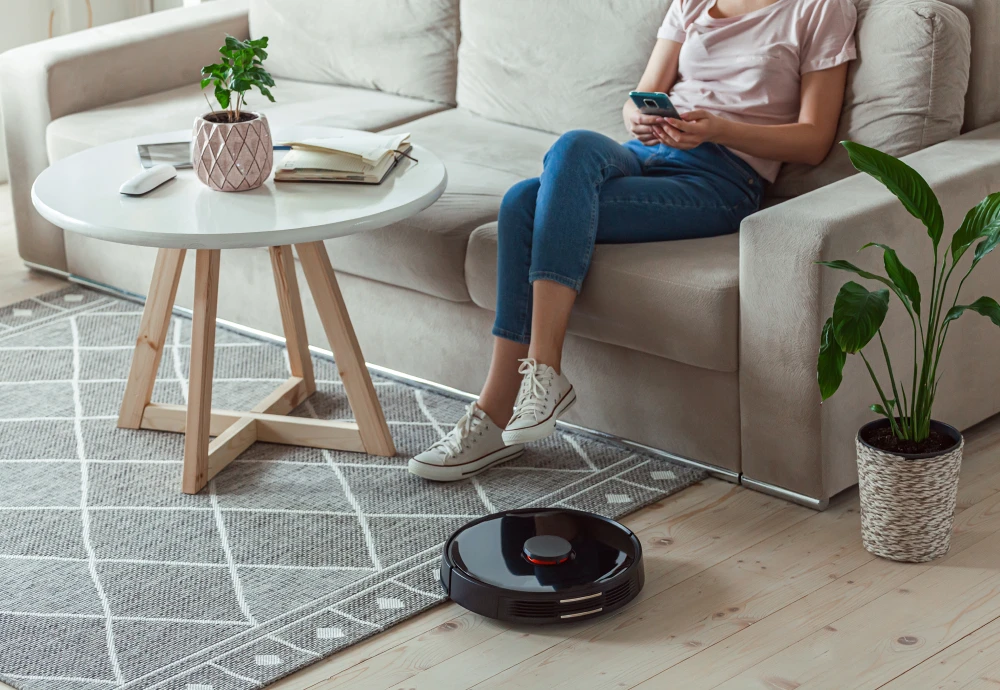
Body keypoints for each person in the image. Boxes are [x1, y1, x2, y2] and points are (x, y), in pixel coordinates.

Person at [409, 0, 858, 481]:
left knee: (524, 202)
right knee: (574, 146)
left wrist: (721, 130)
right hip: (646, 151)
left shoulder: (821, 8)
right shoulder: (694, 3)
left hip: (720, 179)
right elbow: (640, 95)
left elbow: (814, 139)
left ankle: (498, 410)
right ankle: (543, 375)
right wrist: (638, 117)